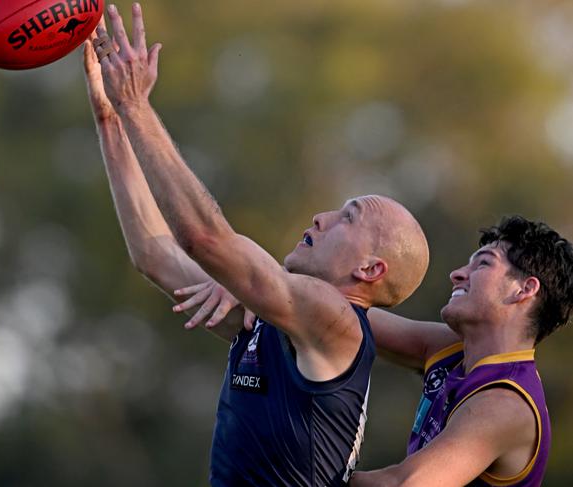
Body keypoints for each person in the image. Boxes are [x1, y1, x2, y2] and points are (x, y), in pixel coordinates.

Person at [83, 3, 430, 485]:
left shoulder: (337, 320)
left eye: (347, 217)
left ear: (370, 270)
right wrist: (111, 121)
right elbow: (154, 254)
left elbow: (205, 239)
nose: (322, 217)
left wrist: (137, 107)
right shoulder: (276, 323)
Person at [185, 216, 573, 486]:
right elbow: (336, 316)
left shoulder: (506, 404)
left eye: (482, 264)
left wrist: (300, 475)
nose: (458, 273)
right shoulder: (454, 351)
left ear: (525, 290)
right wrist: (257, 287)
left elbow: (406, 484)